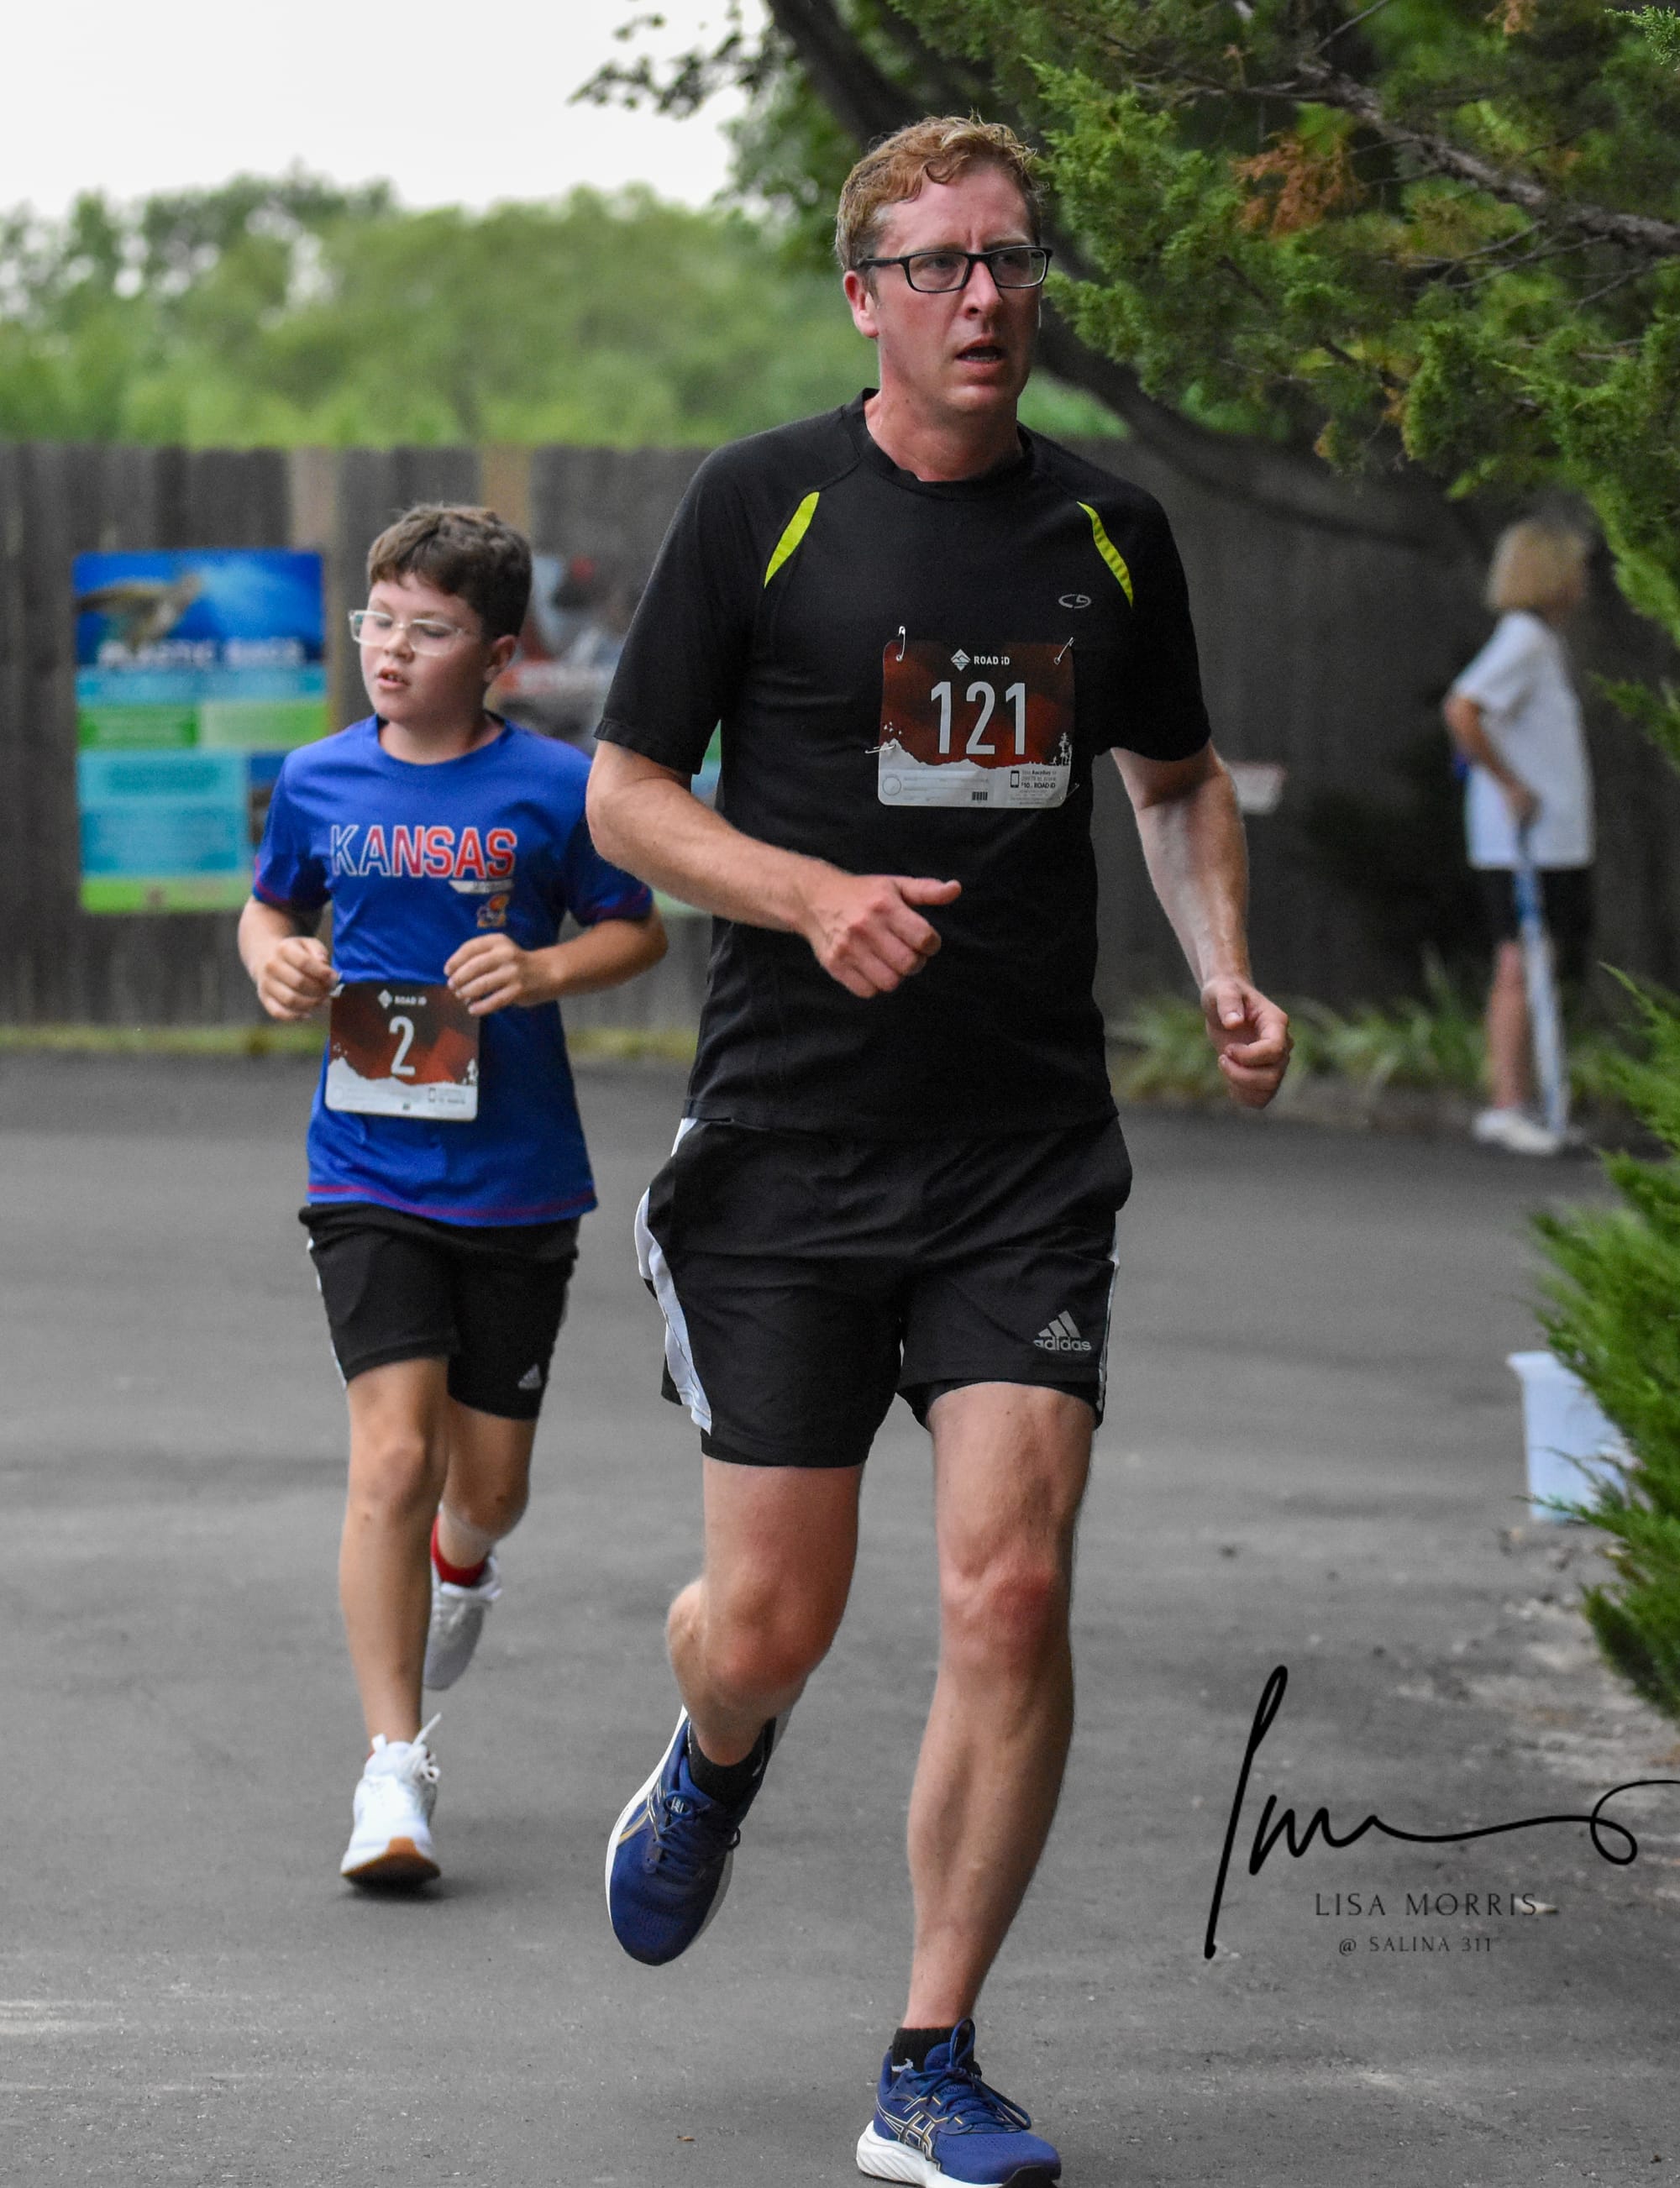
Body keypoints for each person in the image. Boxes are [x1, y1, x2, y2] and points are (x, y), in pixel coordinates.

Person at [585, 117, 1290, 2186]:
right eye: (939, 265)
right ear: (862, 299)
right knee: (767, 1624)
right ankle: (714, 1745)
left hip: (1018, 1159)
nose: (986, 296)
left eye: (1010, 260)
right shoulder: (762, 507)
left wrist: (1222, 966)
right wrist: (807, 893)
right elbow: (626, 794)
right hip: (786, 1151)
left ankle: (929, 2058)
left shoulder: (1108, 534)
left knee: (1010, 1584)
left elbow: (1176, 779)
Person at [239, 504, 665, 1886]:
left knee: (487, 1486)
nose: (391, 649)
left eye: (427, 630)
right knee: (391, 1459)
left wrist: (540, 971)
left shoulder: (557, 785)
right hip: (365, 1165)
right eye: (377, 621)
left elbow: (636, 930)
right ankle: (393, 1770)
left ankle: (465, 1561)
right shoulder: (318, 778)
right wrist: (274, 959)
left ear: (494, 654)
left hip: (518, 1177)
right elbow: (271, 905)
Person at [1443, 518, 1594, 1157]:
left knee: (1536, 962)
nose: (1584, 581)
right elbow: (1463, 707)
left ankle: (1527, 1100)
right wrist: (1509, 783)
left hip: (1550, 840)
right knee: (1520, 962)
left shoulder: (1540, 642)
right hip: (1523, 842)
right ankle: (1508, 1104)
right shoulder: (1525, 639)